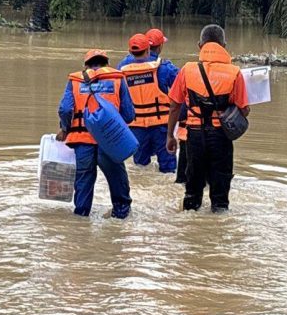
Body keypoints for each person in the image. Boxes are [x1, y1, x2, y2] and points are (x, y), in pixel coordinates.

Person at [166, 25, 249, 212]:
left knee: (192, 190)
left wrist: (170, 135)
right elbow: (244, 110)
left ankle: (191, 226)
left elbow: (174, 106)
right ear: (224, 46)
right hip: (221, 137)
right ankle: (218, 230)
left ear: (199, 45)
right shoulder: (235, 72)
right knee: (220, 194)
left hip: (194, 137)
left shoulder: (187, 70)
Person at [57, 49, 136, 219]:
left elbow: (65, 109)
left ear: (85, 66)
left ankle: (81, 218)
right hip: (109, 142)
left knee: (84, 182)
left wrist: (65, 129)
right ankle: (121, 215)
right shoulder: (117, 78)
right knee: (117, 179)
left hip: (82, 140)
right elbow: (129, 114)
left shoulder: (75, 80)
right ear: (107, 64)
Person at [119, 33, 179, 173]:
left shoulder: (122, 69)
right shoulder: (164, 68)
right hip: (162, 127)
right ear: (149, 49)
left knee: (140, 168)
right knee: (168, 169)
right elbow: (183, 88)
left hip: (136, 127)